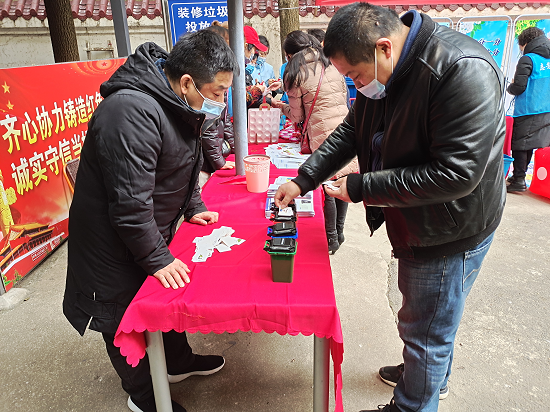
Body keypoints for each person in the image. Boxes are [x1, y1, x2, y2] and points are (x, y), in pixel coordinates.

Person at [274, 4, 506, 412]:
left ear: (383, 47)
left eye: (355, 75)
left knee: (426, 328)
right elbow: (351, 132)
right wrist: (304, 178)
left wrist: (362, 187)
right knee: (431, 319)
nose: (356, 84)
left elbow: (456, 174)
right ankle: (428, 374)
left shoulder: (461, 69)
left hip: (449, 228)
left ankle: (413, 399)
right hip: (417, 217)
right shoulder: (385, 76)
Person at [63, 31, 239, 412]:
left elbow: (182, 164)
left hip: (144, 230)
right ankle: (145, 396)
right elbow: (130, 204)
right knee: (121, 317)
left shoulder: (174, 99)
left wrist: (192, 205)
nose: (222, 102)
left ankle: (176, 362)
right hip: (108, 244)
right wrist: (158, 257)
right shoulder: (130, 112)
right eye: (218, 92)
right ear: (188, 82)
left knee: (162, 299)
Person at [271, 31, 357, 254]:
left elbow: (297, 116)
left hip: (321, 133)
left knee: (326, 184)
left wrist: (279, 106)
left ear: (289, 55)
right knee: (341, 179)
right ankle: (339, 232)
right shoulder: (330, 61)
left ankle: (331, 238)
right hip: (346, 128)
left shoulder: (295, 71)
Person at [506, 27, 550, 193]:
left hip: (528, 109)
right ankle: (519, 177)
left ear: (525, 43)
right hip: (547, 110)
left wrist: (510, 86)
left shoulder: (528, 59)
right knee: (530, 144)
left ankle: (519, 180)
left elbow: (519, 87)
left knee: (520, 145)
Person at [200, 25, 236, 188]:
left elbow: (224, 119)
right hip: (205, 163)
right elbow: (207, 126)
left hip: (215, 154)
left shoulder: (220, 80)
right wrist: (219, 162)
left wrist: (235, 148)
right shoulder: (207, 82)